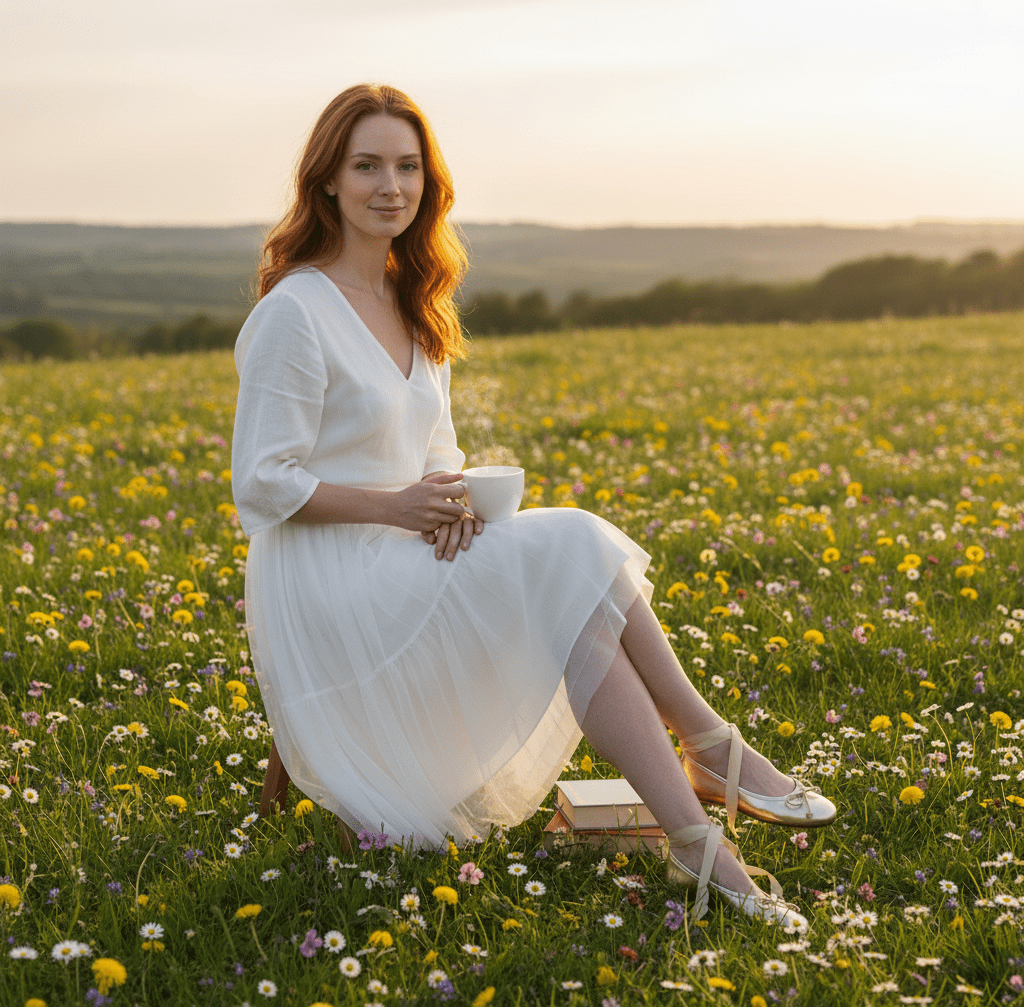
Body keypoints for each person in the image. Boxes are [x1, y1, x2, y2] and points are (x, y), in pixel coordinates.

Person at [230, 83, 835, 929]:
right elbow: (261, 484)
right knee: (575, 547)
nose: (389, 186)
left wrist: (453, 502)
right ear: (327, 180)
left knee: (570, 587)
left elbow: (435, 455)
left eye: (407, 166)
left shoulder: (413, 300)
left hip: (408, 551)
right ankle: (709, 754)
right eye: (365, 165)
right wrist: (402, 507)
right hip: (330, 582)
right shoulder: (296, 311)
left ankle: (700, 844)